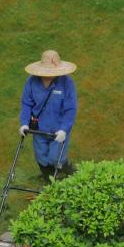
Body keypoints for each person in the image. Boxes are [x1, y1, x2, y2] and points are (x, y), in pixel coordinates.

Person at [19, 50, 78, 180]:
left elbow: (70, 109)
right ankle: (50, 178)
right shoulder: (31, 82)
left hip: (59, 129)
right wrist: (24, 123)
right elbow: (26, 103)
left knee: (55, 157)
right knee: (41, 156)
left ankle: (69, 170)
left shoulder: (67, 83)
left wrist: (64, 129)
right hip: (39, 128)